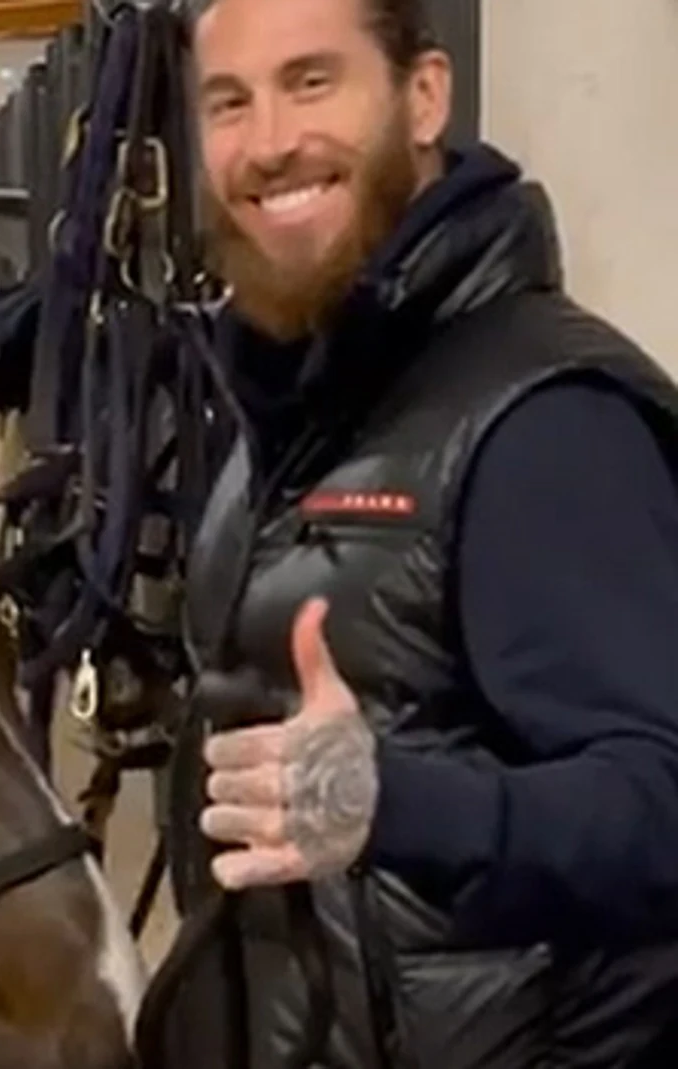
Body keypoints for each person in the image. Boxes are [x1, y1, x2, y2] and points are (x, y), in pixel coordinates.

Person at [142, 0, 678, 1067]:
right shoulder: (296, 410)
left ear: (423, 96)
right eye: (229, 102)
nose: (267, 144)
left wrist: (400, 802)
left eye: (310, 82)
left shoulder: (542, 422)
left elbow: (661, 802)